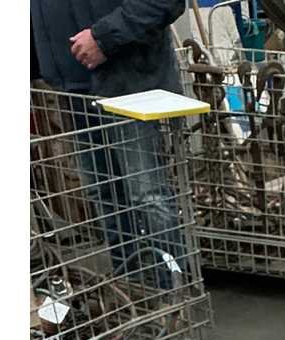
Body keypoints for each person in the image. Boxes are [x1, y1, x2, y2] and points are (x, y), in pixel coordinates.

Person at [31, 1, 191, 286]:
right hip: (74, 91)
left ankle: (174, 290)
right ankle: (133, 287)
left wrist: (102, 38)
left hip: (129, 85)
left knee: (146, 195)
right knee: (105, 195)